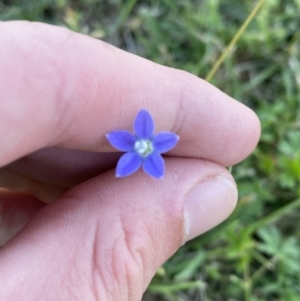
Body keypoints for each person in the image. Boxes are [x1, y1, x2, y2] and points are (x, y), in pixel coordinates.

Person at [0, 21, 260, 301]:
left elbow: (159, 147)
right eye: (142, 144)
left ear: (152, 142)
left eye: (147, 145)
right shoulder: (131, 150)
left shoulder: (154, 150)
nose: (144, 145)